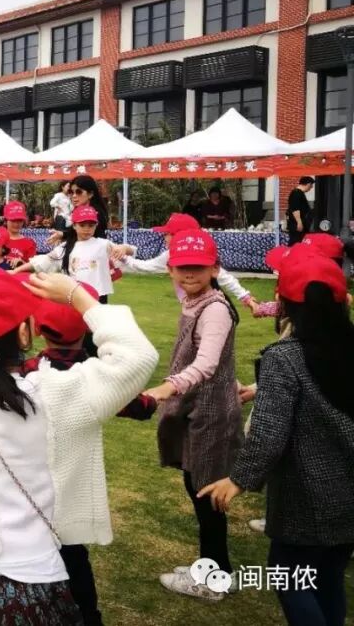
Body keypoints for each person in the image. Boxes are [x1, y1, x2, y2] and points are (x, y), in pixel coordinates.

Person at [0, 266, 158, 626]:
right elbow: (136, 356)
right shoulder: (59, 395)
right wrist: (76, 295)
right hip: (35, 581)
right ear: (25, 333)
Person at [198, 245, 354, 626]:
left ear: (283, 303)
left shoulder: (283, 357)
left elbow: (269, 432)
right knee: (329, 574)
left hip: (307, 498)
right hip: (348, 493)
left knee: (290, 574)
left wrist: (238, 479)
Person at [141, 229, 242, 601]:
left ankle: (215, 578)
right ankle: (214, 567)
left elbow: (207, 363)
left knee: (206, 495)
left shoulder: (214, 309)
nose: (189, 273)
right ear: (170, 269)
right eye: (181, 266)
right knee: (198, 489)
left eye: (198, 267)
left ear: (215, 269)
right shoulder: (194, 300)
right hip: (198, 409)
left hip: (209, 415)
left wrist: (165, 388)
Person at [113, 213, 254, 308]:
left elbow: (224, 277)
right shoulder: (171, 254)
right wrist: (124, 256)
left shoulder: (200, 254)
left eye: (167, 234)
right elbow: (146, 266)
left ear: (179, 236)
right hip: (188, 306)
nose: (164, 237)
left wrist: (245, 297)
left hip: (207, 306)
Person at [15, 206, 118, 303]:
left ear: (96, 225)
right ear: (74, 225)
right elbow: (43, 261)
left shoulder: (103, 244)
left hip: (99, 296)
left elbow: (124, 256)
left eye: (91, 225)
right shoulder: (65, 247)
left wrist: (125, 248)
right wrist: (16, 271)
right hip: (74, 296)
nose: (87, 229)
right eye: (82, 225)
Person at [3, 201, 37, 266]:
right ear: (6, 220)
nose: (16, 224)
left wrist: (22, 263)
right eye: (13, 220)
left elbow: (33, 267)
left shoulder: (29, 243)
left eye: (20, 220)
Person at [286, 176, 315, 245]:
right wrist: (299, 222)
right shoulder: (296, 193)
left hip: (300, 223)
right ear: (308, 184)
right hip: (296, 224)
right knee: (296, 242)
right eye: (311, 186)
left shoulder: (299, 193)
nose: (311, 188)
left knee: (299, 241)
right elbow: (295, 209)